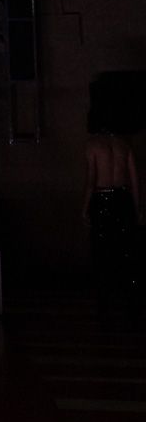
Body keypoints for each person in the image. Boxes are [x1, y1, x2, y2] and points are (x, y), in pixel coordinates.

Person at [82, 127, 140, 315]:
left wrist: (85, 208)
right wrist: (137, 208)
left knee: (102, 250)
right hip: (123, 199)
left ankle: (105, 300)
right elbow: (135, 181)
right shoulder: (125, 145)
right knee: (125, 250)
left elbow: (91, 180)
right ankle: (129, 299)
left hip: (102, 199)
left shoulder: (93, 145)